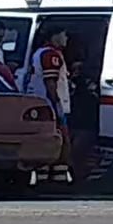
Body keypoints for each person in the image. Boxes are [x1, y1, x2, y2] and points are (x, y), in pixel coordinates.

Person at [25, 26, 72, 185]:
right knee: (61, 142)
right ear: (55, 35)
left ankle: (44, 178)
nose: (67, 39)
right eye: (64, 34)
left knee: (47, 142)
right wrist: (57, 106)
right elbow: (50, 83)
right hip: (50, 105)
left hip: (41, 104)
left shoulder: (40, 53)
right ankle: (57, 181)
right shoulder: (51, 55)